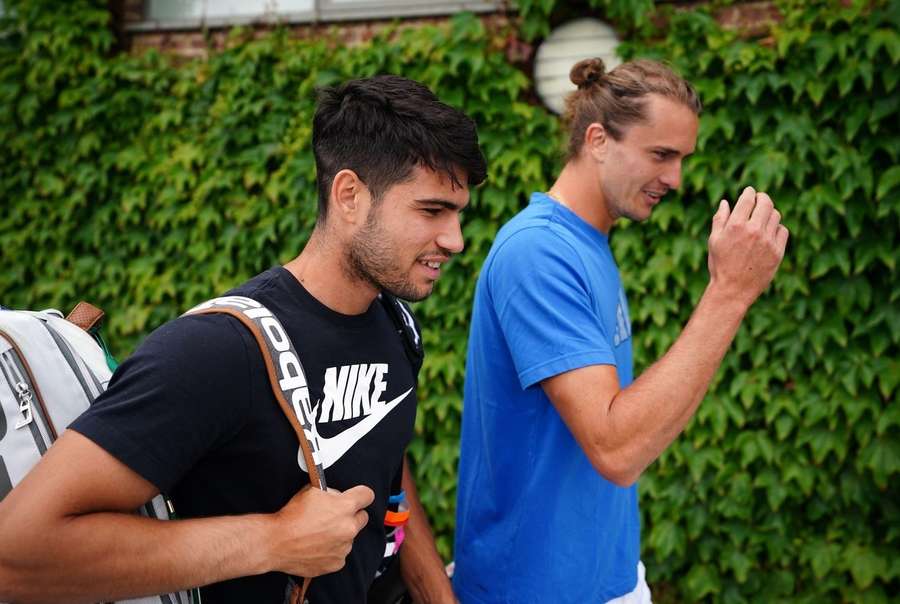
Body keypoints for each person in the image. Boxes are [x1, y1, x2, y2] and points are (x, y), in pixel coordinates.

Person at [0, 74, 486, 603]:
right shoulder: (218, 351)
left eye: (458, 214)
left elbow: (379, 451)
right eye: (432, 210)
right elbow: (15, 554)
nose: (455, 240)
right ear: (350, 195)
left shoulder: (395, 324)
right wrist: (273, 541)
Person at [452, 58, 789, 603]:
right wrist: (729, 293)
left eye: (682, 158)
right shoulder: (540, 252)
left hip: (607, 576)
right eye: (661, 154)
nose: (676, 179)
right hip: (535, 589)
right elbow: (617, 448)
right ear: (598, 140)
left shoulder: (587, 244)